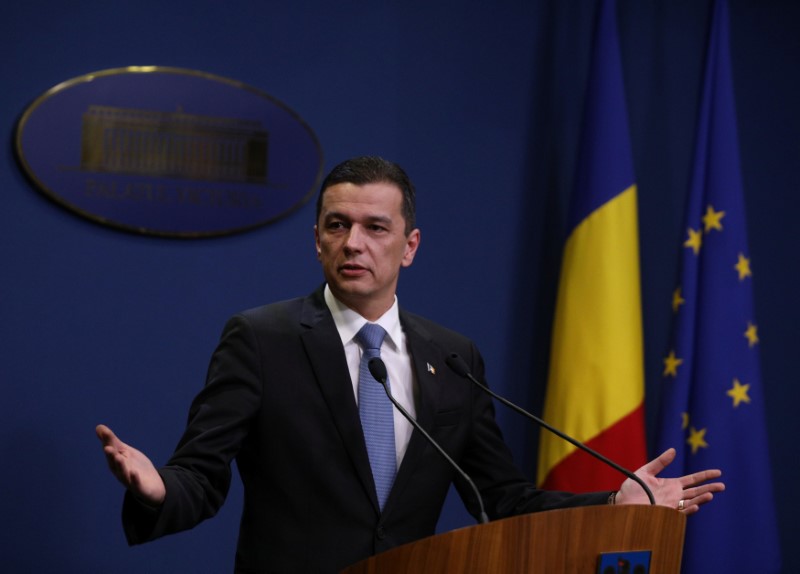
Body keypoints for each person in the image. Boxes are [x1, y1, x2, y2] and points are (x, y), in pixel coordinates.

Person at [97, 156, 724, 573]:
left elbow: (501, 499)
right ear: (317, 238)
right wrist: (157, 490)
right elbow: (201, 478)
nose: (354, 243)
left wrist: (612, 502)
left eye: (375, 227)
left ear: (409, 245)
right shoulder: (261, 339)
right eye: (337, 225)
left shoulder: (451, 357)